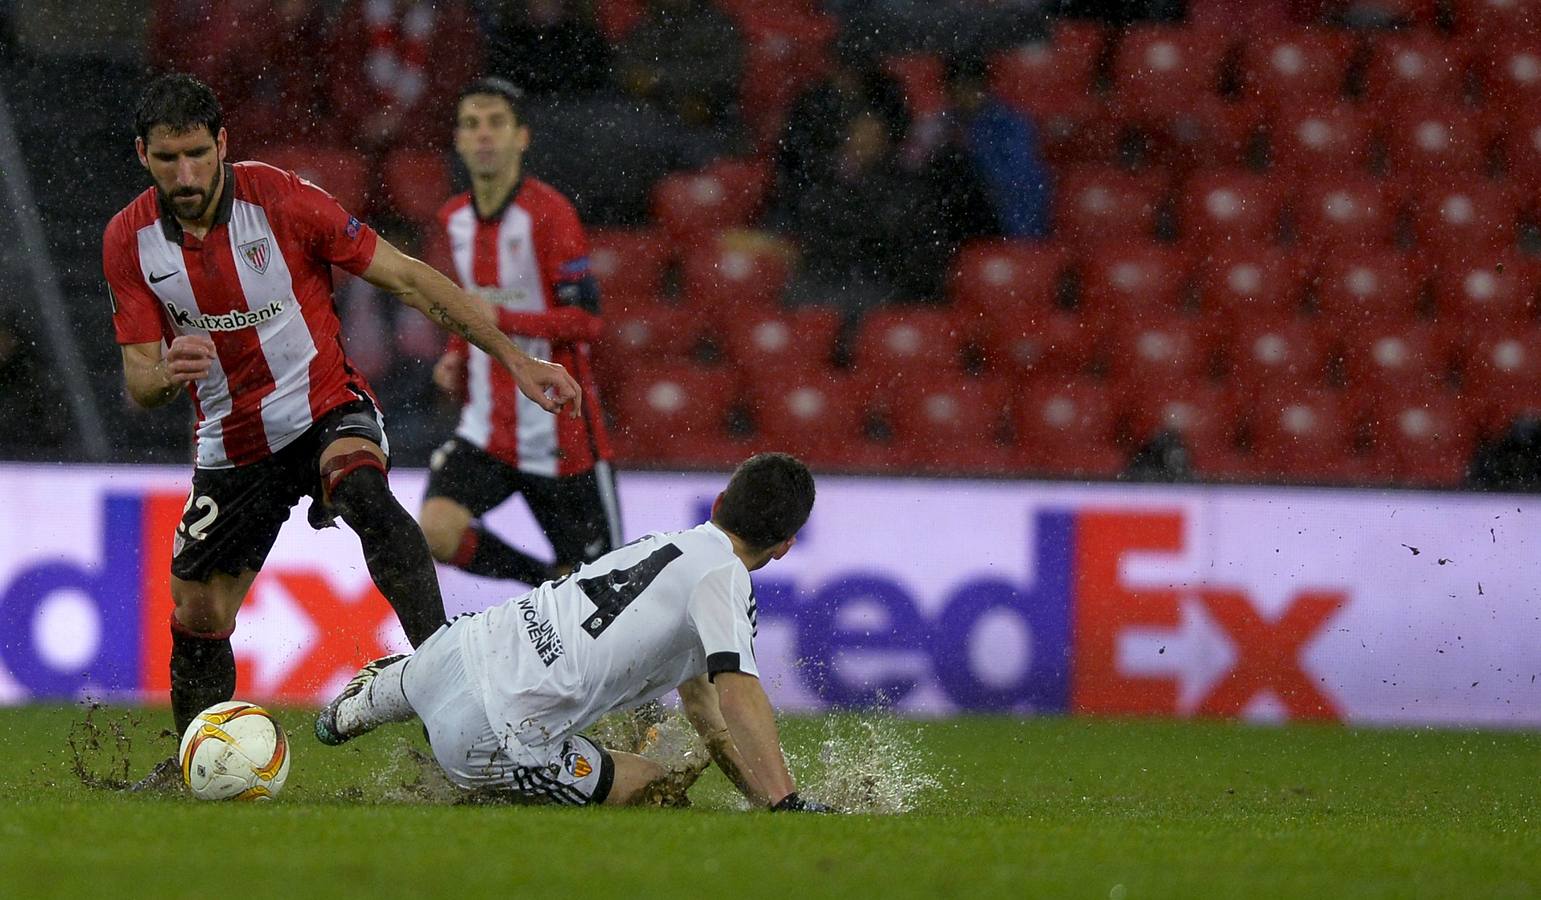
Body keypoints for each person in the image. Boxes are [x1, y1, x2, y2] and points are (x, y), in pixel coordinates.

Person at [101, 74, 581, 788]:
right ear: (143, 155)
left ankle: (456, 721)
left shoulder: (283, 201)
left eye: (199, 154)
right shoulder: (128, 239)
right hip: (231, 444)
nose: (187, 174)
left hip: (327, 406)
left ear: (223, 144)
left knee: (362, 491)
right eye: (169, 159)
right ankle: (191, 762)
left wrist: (513, 358)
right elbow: (138, 382)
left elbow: (412, 280)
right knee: (198, 611)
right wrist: (167, 368)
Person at [316, 452, 834, 811]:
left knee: (333, 726)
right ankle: (477, 760)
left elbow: (703, 709)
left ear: (719, 503)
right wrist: (785, 801)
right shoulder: (725, 580)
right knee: (656, 790)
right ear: (786, 544)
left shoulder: (663, 544)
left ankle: (361, 705)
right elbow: (735, 695)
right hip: (491, 737)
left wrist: (759, 795)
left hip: (452, 649)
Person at [421, 77, 619, 588]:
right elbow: (465, 304)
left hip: (562, 435)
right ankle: (543, 580)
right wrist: (456, 352)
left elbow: (586, 321)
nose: (483, 135)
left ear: (521, 137)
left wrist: (499, 322)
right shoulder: (452, 219)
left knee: (610, 601)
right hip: (486, 431)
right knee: (435, 531)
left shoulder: (551, 214)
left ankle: (572, 584)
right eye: (471, 124)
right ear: (459, 140)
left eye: (495, 123)